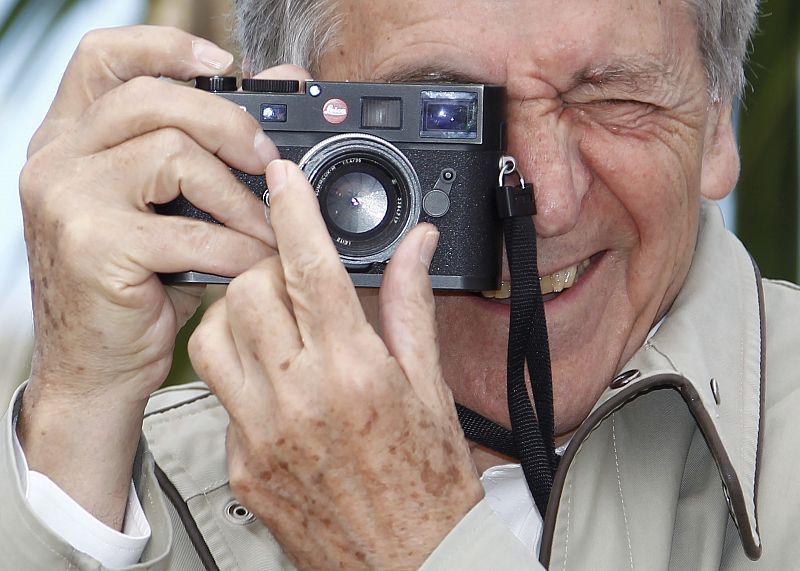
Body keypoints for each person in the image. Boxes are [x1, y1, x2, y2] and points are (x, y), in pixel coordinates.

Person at [2, 0, 796, 568]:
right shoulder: (133, 486)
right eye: (445, 112)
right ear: (273, 129)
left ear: (717, 124)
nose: (544, 202)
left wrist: (414, 544)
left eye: (611, 98)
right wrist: (79, 421)